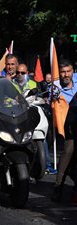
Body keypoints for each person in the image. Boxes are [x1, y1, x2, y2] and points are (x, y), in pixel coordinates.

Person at [51, 59, 77, 203]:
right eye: (63, 72)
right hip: (69, 125)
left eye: (69, 71)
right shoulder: (56, 87)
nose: (66, 75)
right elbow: (52, 99)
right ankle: (58, 186)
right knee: (68, 151)